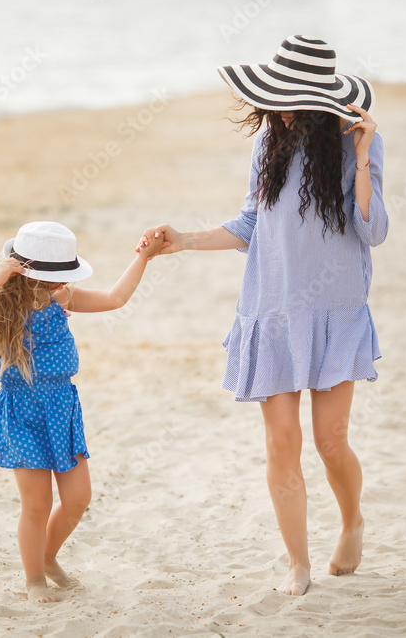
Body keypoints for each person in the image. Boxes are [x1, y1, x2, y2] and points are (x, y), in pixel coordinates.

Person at [139, 35, 388, 596]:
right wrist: (182, 240)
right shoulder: (268, 144)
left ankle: (352, 521)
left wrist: (367, 158)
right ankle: (297, 564)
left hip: (335, 308)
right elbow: (252, 224)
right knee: (282, 443)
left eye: (288, 97)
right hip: (272, 309)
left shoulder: (355, 143)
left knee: (330, 440)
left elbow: (373, 230)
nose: (277, 107)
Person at [0, 221, 162, 603]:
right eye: (50, 277)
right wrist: (0, 275)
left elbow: (116, 298)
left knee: (78, 498)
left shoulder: (62, 298)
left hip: (62, 409)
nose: (57, 284)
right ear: (24, 272)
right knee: (37, 503)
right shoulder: (1, 304)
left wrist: (144, 258)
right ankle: (34, 579)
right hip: (22, 412)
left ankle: (49, 558)